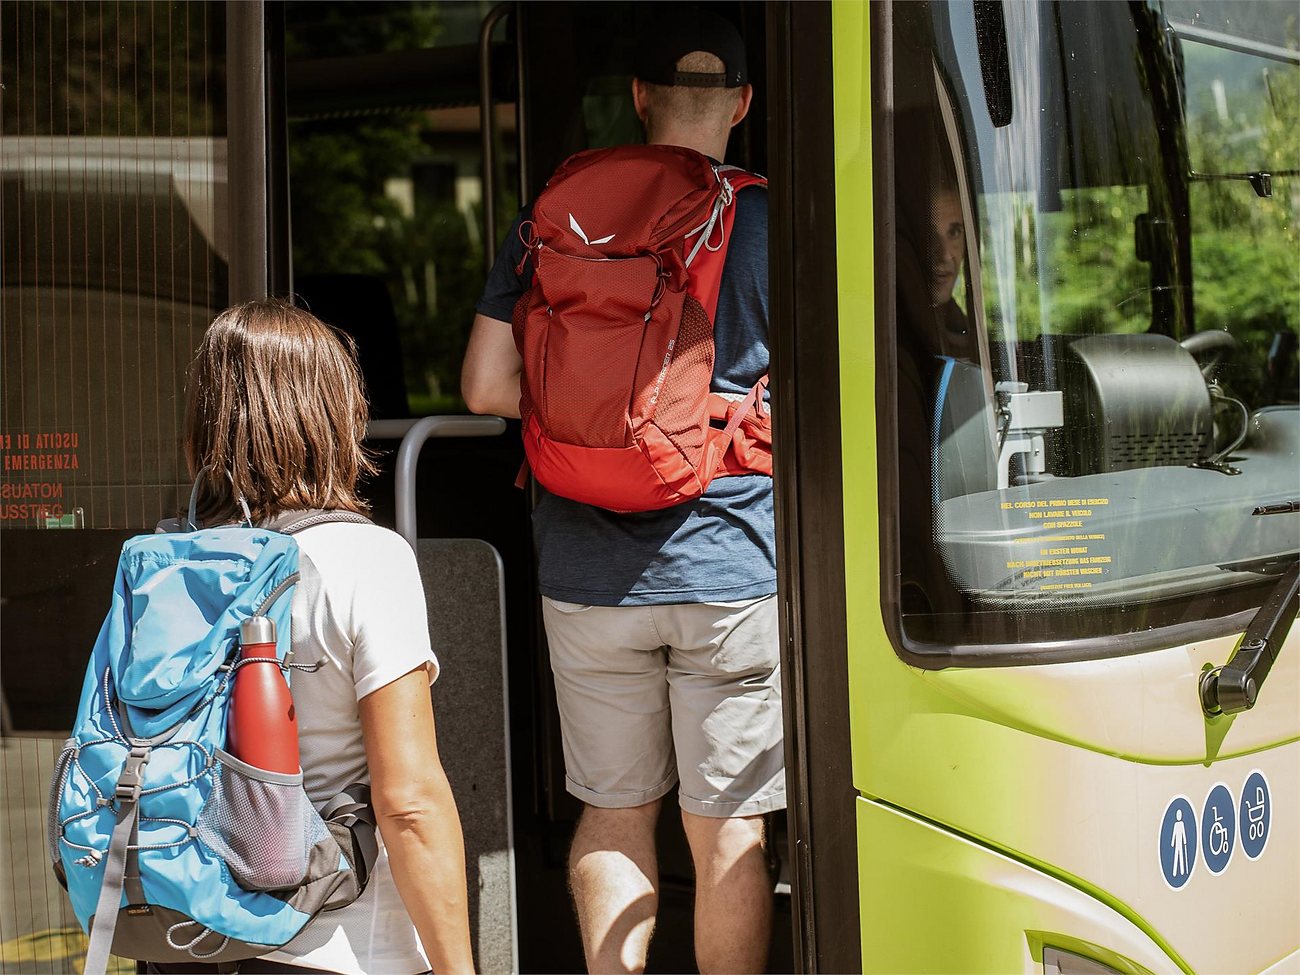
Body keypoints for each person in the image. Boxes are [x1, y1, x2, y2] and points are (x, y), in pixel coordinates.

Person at [460, 10, 781, 974]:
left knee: (612, 812)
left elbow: (483, 386)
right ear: (743, 104)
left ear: (639, 98)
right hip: (730, 568)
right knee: (728, 830)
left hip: (587, 575)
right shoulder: (772, 221)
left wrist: (591, 414)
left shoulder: (556, 214)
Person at [175, 298, 475, 975]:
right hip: (338, 946)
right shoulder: (368, 559)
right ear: (329, 415)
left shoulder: (174, 565)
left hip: (187, 933)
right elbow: (409, 801)